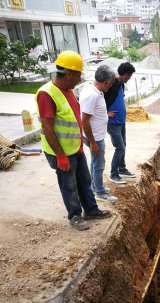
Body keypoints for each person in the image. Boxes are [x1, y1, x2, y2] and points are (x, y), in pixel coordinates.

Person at [36, 51, 112, 231]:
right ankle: (75, 215)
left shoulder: (68, 91)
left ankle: (91, 210)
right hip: (61, 151)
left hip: (75, 148)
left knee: (84, 181)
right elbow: (48, 127)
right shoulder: (47, 94)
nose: (80, 78)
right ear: (69, 74)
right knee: (69, 185)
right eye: (78, 74)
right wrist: (60, 155)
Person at [79, 65, 118, 202]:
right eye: (111, 83)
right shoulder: (92, 95)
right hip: (94, 137)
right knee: (99, 164)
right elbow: (85, 121)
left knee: (95, 163)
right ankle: (100, 193)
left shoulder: (93, 89)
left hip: (96, 135)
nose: (111, 86)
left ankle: (95, 186)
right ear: (106, 82)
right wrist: (93, 142)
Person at [103, 62, 137, 185]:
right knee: (120, 148)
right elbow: (100, 99)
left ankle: (122, 168)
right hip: (113, 123)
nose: (130, 77)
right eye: (130, 75)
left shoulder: (121, 84)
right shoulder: (112, 84)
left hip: (121, 122)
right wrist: (106, 113)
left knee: (123, 146)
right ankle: (113, 174)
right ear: (125, 74)